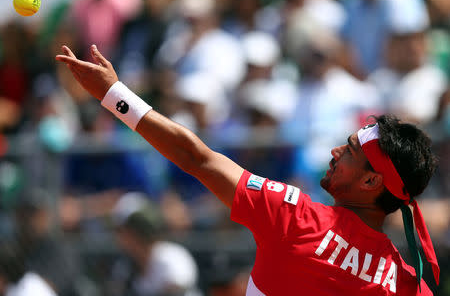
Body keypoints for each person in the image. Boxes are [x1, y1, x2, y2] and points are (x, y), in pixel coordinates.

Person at [55, 44, 440, 295]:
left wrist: (114, 95)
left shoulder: (296, 218)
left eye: (352, 151)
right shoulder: (406, 281)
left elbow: (197, 158)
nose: (337, 150)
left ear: (372, 180)